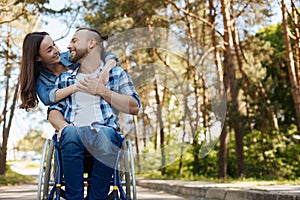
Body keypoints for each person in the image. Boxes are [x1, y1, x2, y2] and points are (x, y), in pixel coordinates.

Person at [47, 27, 141, 200]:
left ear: (91, 43)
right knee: (70, 132)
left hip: (104, 134)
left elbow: (134, 106)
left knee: (105, 133)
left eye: (74, 40)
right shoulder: (65, 79)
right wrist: (64, 127)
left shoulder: (116, 73)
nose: (69, 46)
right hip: (72, 136)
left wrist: (102, 91)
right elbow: (54, 111)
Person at [19, 32, 118, 111]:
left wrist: (106, 70)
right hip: (70, 112)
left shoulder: (69, 57)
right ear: (38, 58)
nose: (56, 50)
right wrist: (76, 87)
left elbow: (105, 55)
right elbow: (47, 98)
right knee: (53, 111)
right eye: (49, 50)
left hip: (96, 103)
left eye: (54, 45)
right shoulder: (40, 79)